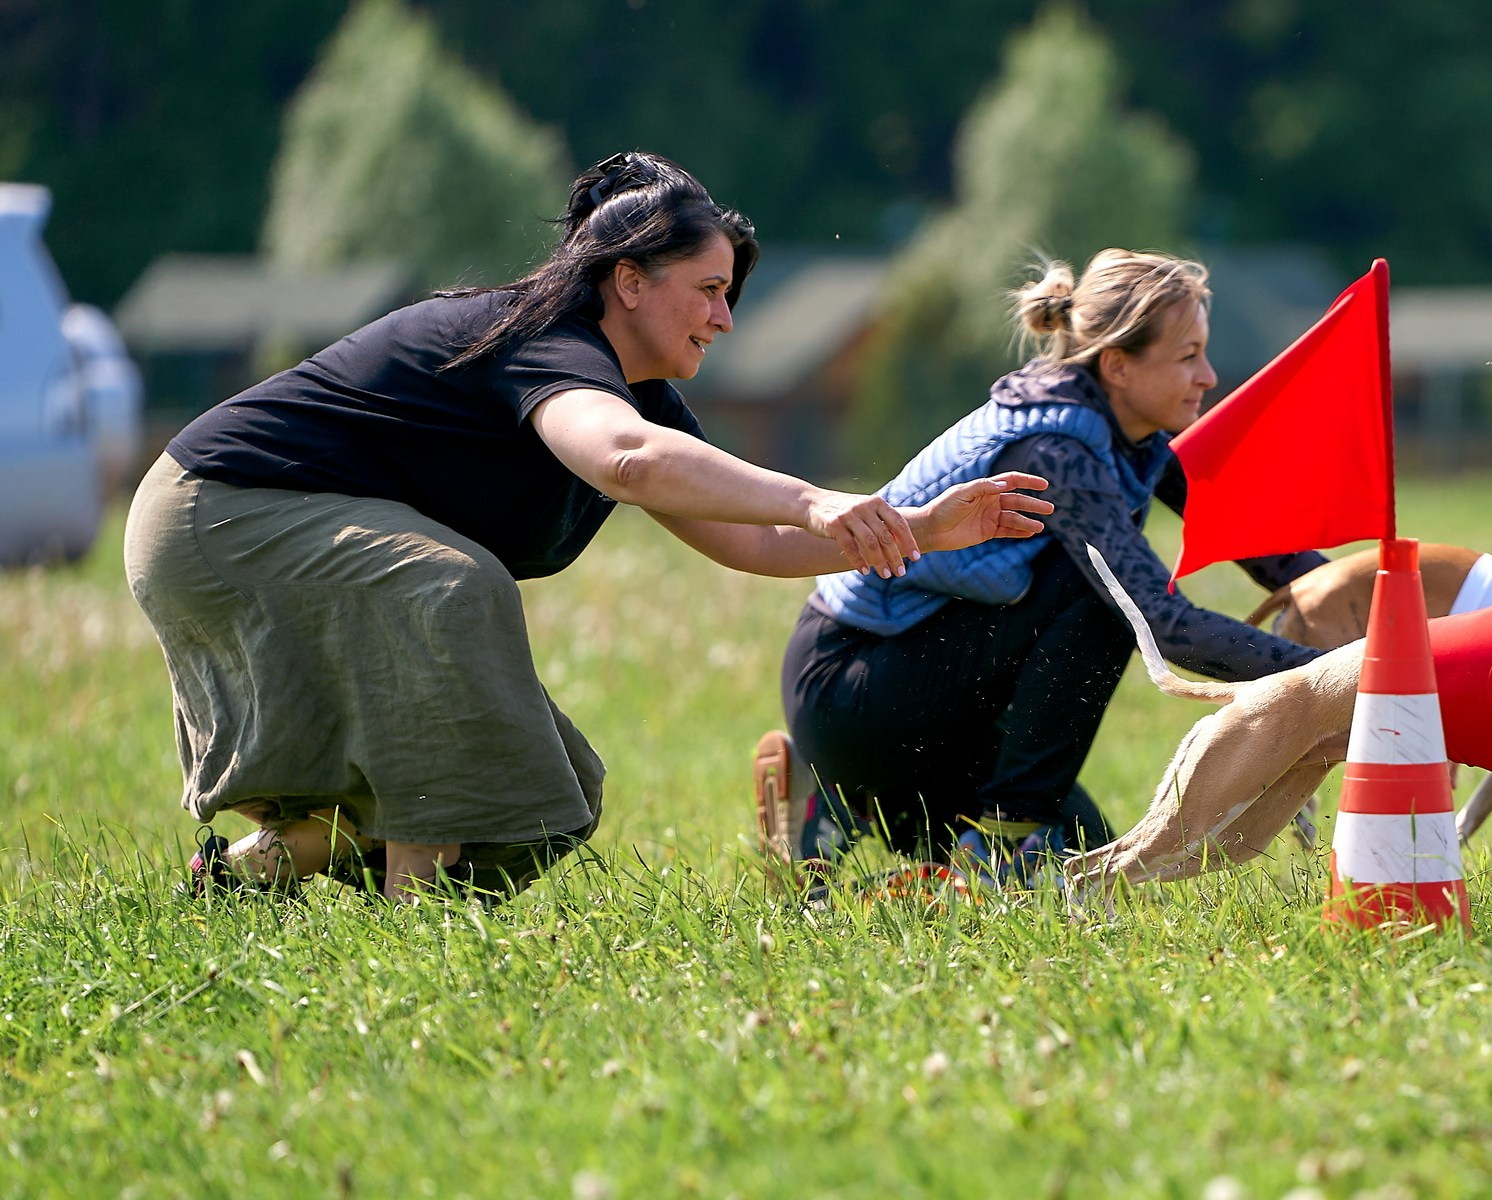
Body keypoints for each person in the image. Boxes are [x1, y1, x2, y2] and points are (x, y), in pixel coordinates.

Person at [128, 152, 1051, 902]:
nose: (726, 319)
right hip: (223, 511)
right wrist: (813, 495)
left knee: (548, 791)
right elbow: (624, 459)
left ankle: (241, 879)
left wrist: (918, 532)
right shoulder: (545, 341)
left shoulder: (637, 396)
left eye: (731, 295)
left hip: (257, 521)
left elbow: (753, 541)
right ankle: (413, 923)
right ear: (629, 281)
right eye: (710, 289)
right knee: (450, 589)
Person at [756, 249, 1324, 891]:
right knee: (1107, 596)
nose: (1209, 376)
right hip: (856, 687)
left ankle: (832, 804)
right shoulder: (1053, 448)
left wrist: (1380, 620)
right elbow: (1162, 623)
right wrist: (1333, 676)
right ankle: (994, 839)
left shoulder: (1131, 430)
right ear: (1117, 366)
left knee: (1085, 854)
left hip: (916, 695)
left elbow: (1266, 549)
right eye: (1188, 356)